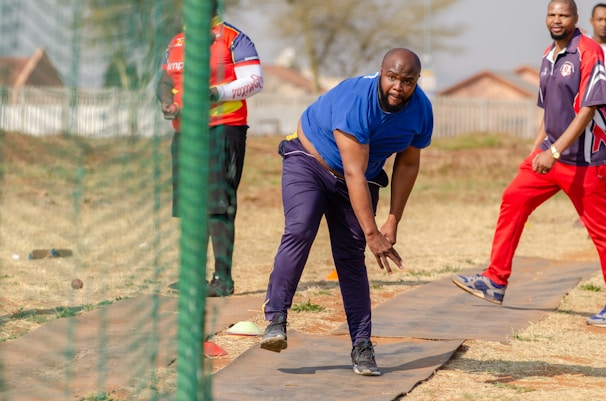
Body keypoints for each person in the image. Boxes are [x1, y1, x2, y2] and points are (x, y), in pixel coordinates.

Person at [259, 48, 434, 376]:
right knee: (300, 228)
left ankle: (362, 345)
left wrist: (392, 219)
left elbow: (408, 163)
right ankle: (276, 320)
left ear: (416, 82)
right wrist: (373, 234)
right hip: (310, 161)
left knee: (351, 256)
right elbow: (353, 171)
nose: (398, 86)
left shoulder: (421, 111)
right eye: (392, 78)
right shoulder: (357, 100)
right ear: (381, 72)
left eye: (407, 81)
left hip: (360, 176)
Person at [452, 0, 606, 328]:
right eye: (551, 14)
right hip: (550, 156)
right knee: (513, 198)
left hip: (585, 161)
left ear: (576, 19)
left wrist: (555, 152)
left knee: (601, 235)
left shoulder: (589, 52)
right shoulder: (548, 56)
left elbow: (588, 109)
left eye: (563, 14)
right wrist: (535, 151)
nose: (556, 19)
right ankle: (495, 281)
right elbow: (547, 112)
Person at [156, 2, 263, 297]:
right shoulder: (177, 41)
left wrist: (216, 93)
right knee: (191, 208)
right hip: (185, 133)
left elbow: (254, 81)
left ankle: (222, 279)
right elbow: (164, 81)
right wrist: (166, 102)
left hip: (223, 130)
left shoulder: (234, 38)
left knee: (218, 206)